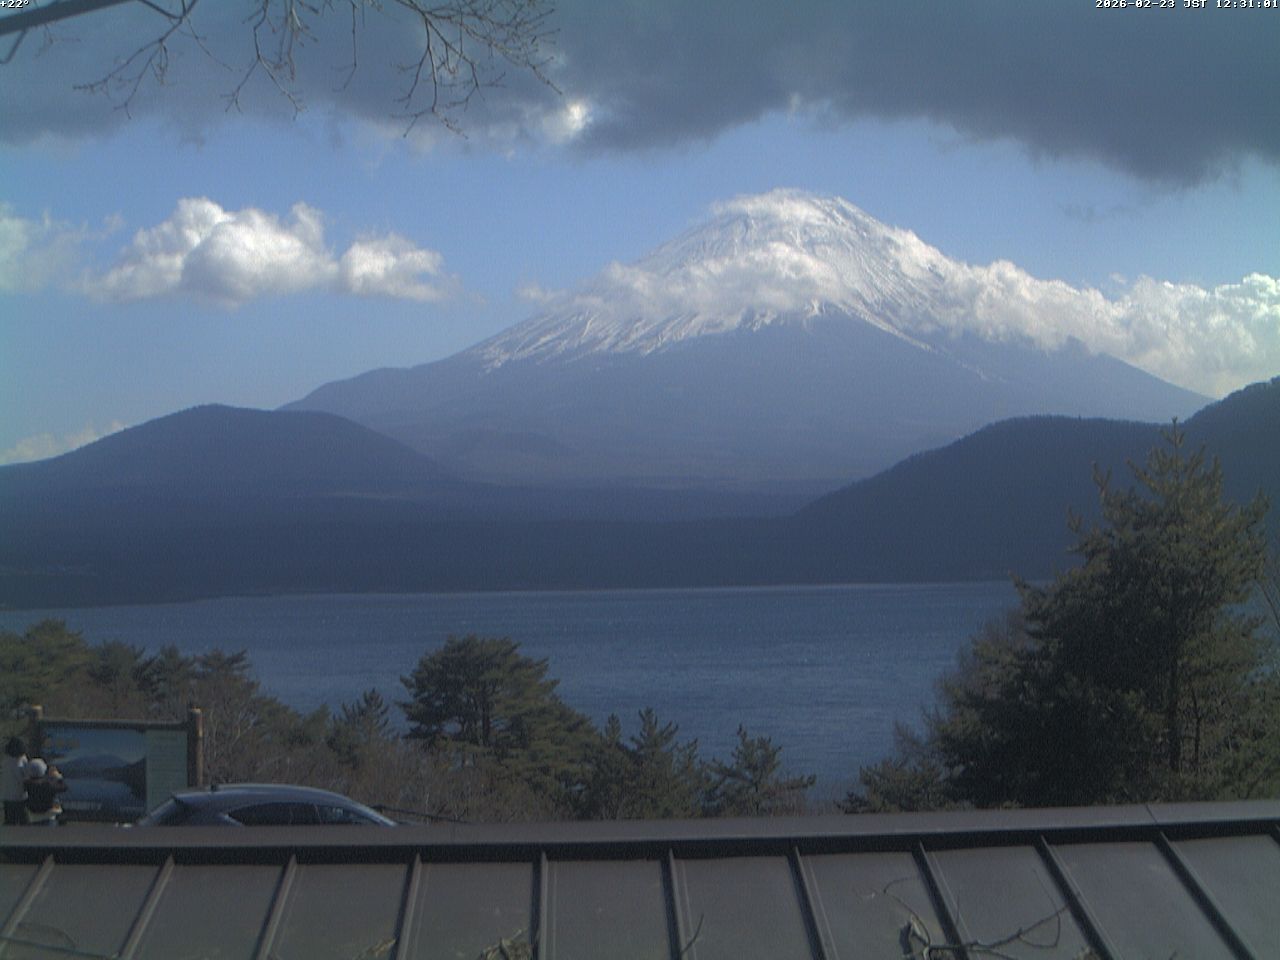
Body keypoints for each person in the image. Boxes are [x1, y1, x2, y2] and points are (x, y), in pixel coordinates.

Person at [24, 758, 67, 827]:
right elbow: (64, 788)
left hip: (33, 817)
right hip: (48, 816)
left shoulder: (27, 784)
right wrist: (57, 776)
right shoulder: (48, 785)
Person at [2, 737, 28, 826]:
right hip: (19, 797)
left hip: (7, 796)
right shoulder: (20, 763)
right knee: (23, 822)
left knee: (9, 822)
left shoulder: (5, 762)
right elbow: (23, 779)